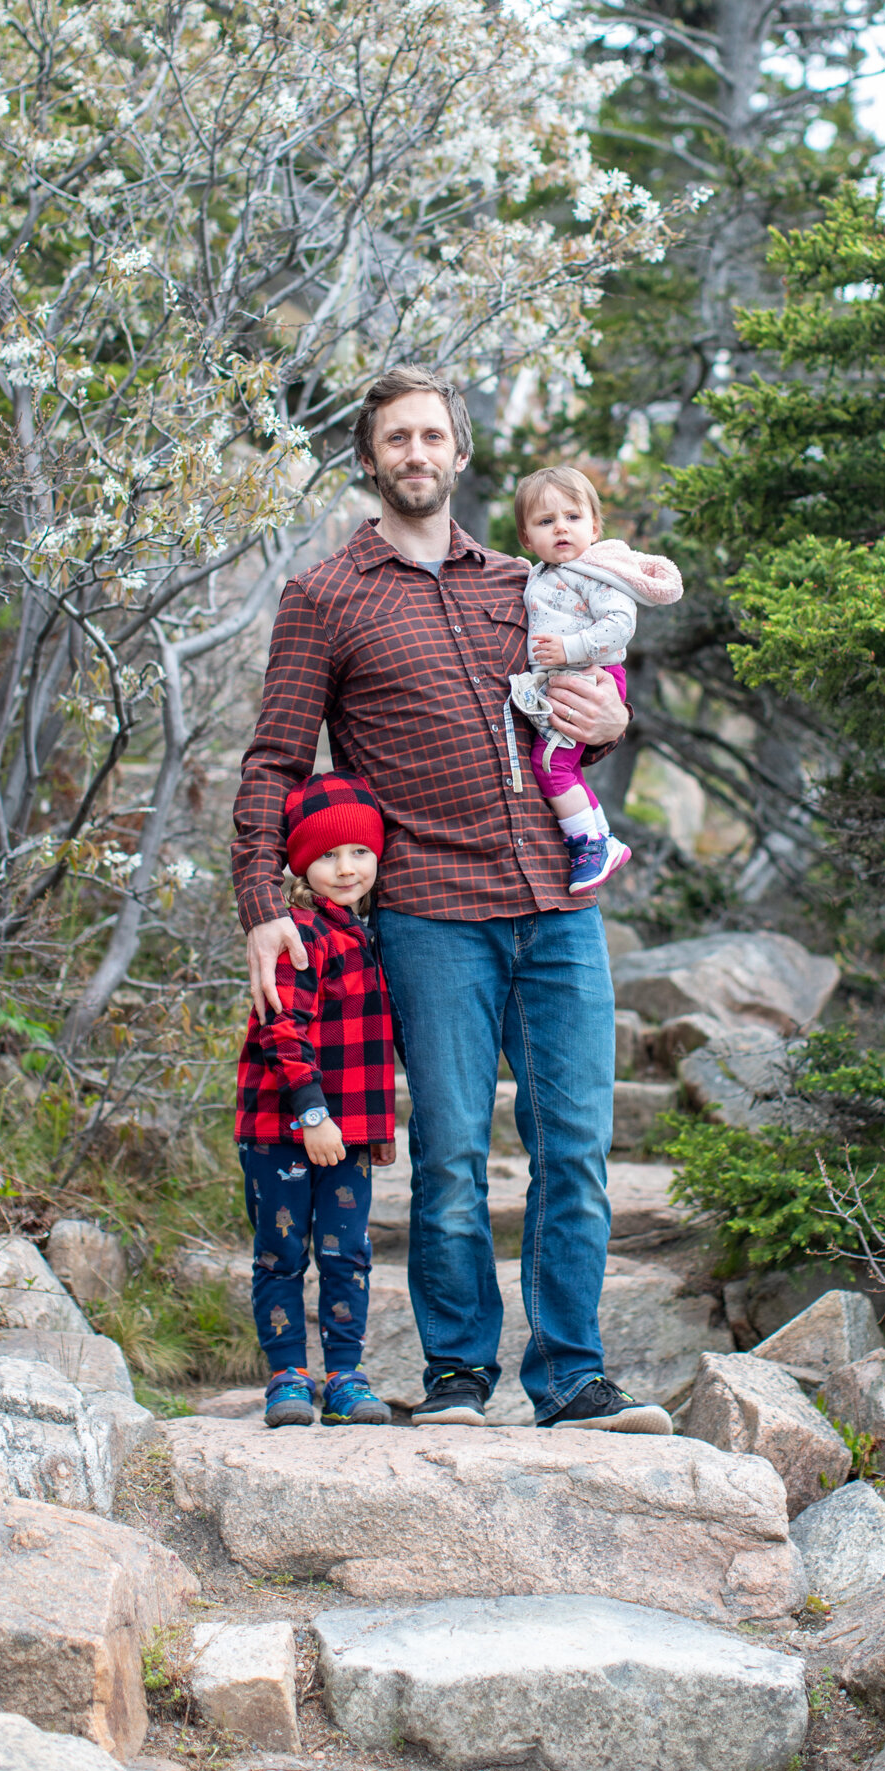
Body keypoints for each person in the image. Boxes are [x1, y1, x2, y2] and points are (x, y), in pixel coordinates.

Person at [233, 364, 673, 1434]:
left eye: (433, 435)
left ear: (460, 453)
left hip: (559, 907)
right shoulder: (325, 597)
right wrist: (260, 904)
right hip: (429, 913)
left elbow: (577, 710)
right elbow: (273, 763)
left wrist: (614, 727)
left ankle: (570, 1377)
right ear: (369, 459)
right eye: (396, 439)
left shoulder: (522, 582)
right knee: (453, 1155)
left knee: (574, 1148)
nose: (416, 455)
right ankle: (457, 1378)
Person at [235, 771, 396, 1430]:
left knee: (346, 1254)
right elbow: (281, 1027)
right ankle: (286, 1377)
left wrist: (363, 1127)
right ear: (301, 862)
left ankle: (346, 1375)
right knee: (281, 1252)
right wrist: (312, 1111)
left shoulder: (363, 933)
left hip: (347, 1135)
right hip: (286, 1129)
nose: (346, 867)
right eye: (327, 855)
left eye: (359, 851)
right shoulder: (299, 933)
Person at [509, 465, 683, 896]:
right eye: (546, 522)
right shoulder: (543, 572)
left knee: (550, 765)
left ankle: (588, 843)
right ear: (528, 539)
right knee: (564, 765)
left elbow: (620, 625)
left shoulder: (594, 573)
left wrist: (570, 649)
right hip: (566, 681)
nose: (561, 528)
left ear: (595, 526)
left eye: (573, 517)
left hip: (591, 679)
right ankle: (601, 834)